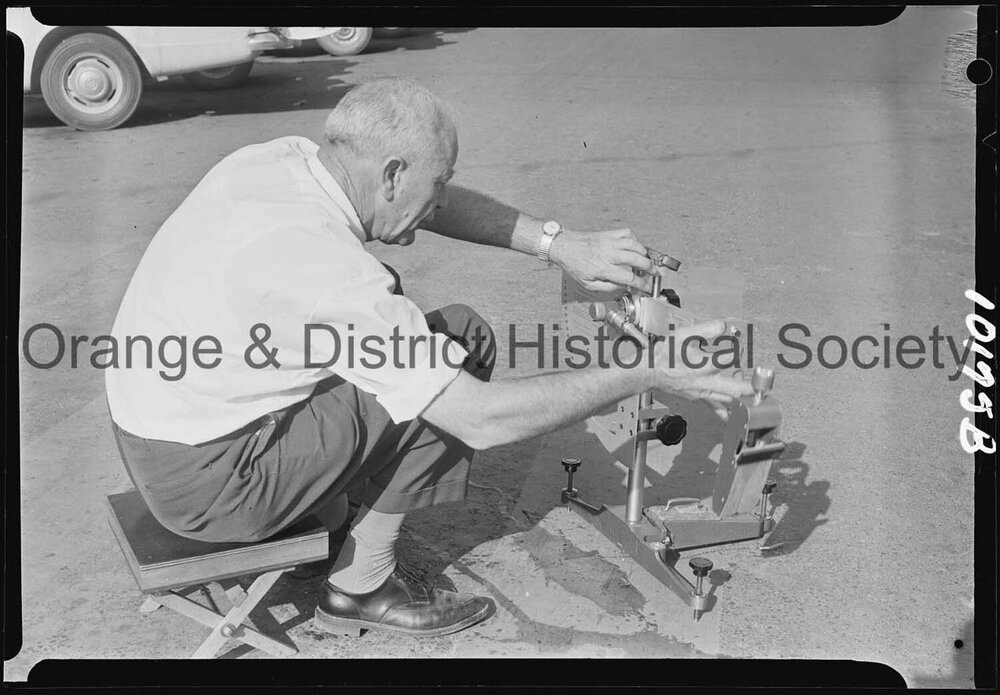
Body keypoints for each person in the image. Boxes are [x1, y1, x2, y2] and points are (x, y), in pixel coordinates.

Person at [106, 77, 753, 638]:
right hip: (213, 484)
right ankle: (359, 584)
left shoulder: (285, 162)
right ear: (391, 173)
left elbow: (431, 206)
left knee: (441, 334)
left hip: (158, 435)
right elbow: (479, 419)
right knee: (449, 368)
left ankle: (332, 507)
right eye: (436, 183)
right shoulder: (326, 268)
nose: (440, 202)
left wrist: (562, 245)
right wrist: (646, 371)